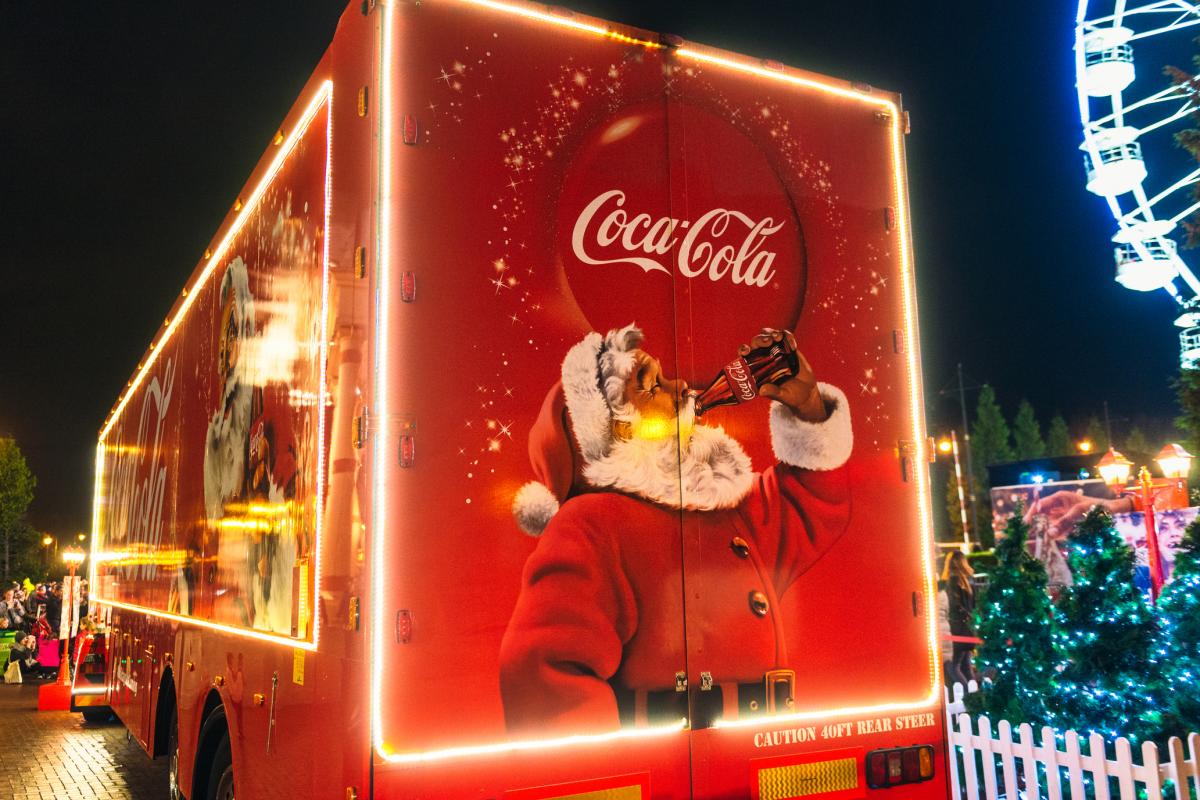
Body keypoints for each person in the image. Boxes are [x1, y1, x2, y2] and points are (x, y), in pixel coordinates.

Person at [501, 324, 853, 734]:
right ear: (621, 427)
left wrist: (809, 408)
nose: (681, 386)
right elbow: (545, 679)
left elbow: (811, 505)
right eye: (652, 386)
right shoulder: (591, 525)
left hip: (756, 750)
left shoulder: (722, 506)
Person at [944, 551, 977, 685]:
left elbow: (953, 604)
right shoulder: (968, 581)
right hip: (968, 627)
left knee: (953, 666)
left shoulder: (952, 581)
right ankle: (974, 695)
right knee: (966, 667)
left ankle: (966, 692)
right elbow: (974, 604)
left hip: (958, 629)